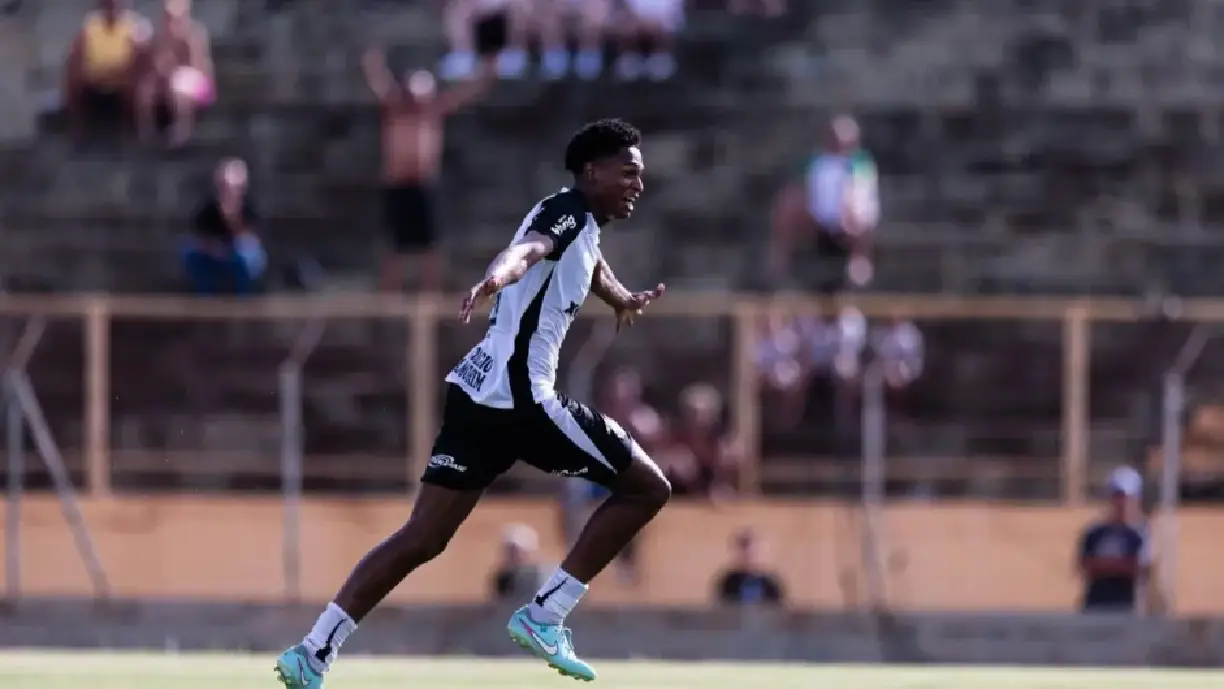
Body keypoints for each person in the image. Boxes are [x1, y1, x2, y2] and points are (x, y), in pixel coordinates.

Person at [274, 119, 670, 687]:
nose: (638, 184)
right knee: (648, 487)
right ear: (592, 171)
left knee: (423, 536)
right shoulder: (568, 214)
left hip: (476, 394)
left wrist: (620, 297)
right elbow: (527, 251)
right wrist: (494, 278)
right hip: (522, 400)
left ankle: (313, 652)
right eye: (628, 172)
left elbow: (584, 260)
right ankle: (546, 614)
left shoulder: (577, 219)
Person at [362, 46, 495, 293]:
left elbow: (466, 93)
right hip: (397, 185)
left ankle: (429, 298)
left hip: (424, 185)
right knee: (394, 247)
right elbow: (378, 82)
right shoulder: (393, 108)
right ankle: (390, 298)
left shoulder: (433, 112)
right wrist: (373, 62)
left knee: (431, 246)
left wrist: (485, 72)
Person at [63, 0, 150, 143]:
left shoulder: (135, 26)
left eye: (115, 3)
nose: (111, 6)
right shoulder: (91, 25)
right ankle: (78, 128)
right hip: (95, 79)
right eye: (108, 3)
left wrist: (117, 72)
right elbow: (76, 53)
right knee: (73, 75)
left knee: (138, 77)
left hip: (124, 79)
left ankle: (131, 130)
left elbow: (142, 57)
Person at [181, 158, 265, 294]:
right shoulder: (208, 207)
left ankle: (244, 296)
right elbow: (199, 235)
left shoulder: (249, 207)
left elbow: (252, 237)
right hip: (213, 253)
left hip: (237, 253)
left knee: (249, 255)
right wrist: (214, 249)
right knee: (189, 251)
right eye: (225, 186)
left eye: (234, 187)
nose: (229, 191)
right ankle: (205, 296)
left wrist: (232, 217)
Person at [137, 0, 213, 146]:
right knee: (146, 88)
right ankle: (147, 130)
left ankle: (183, 130)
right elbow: (157, 63)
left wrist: (173, 68)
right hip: (168, 78)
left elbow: (197, 67)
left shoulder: (194, 35)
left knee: (177, 87)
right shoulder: (161, 37)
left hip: (197, 83)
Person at [1076, 466, 1150, 613]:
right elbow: (1084, 565)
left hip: (1128, 608)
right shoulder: (1095, 532)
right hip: (1095, 607)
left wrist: (1104, 565)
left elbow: (1140, 568)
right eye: (1117, 496)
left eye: (1127, 497)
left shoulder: (1142, 533)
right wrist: (1119, 565)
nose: (1122, 502)